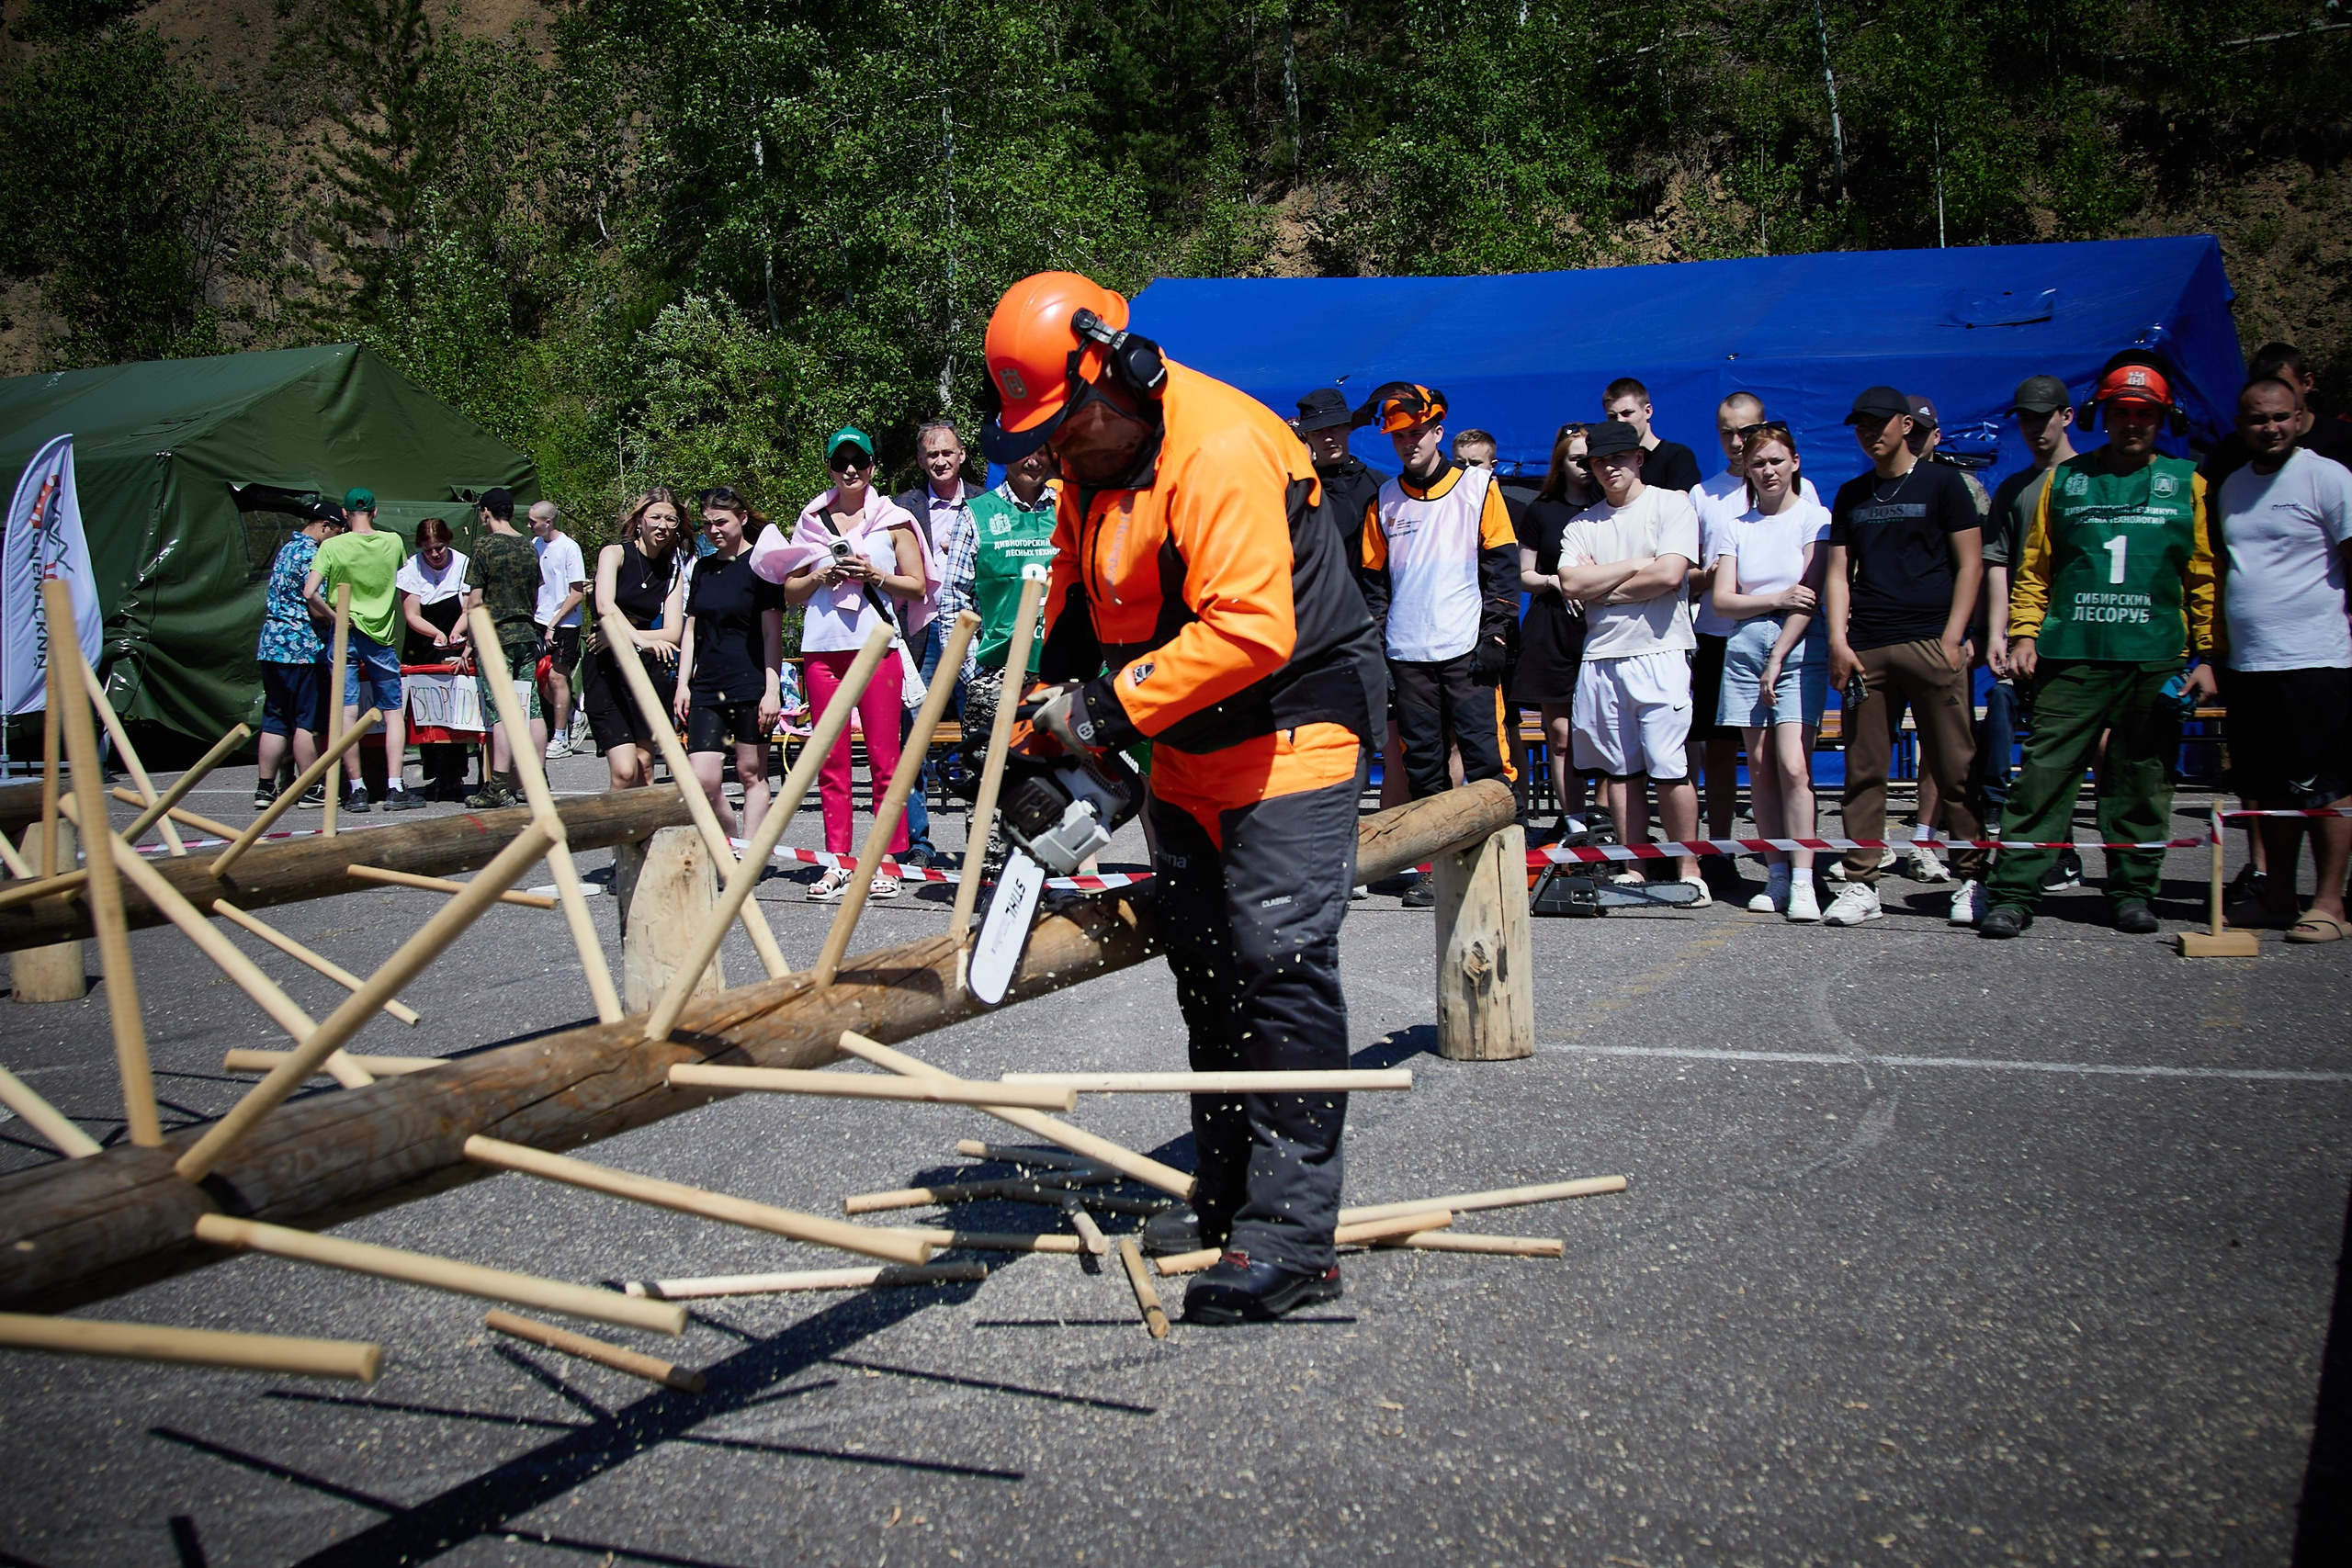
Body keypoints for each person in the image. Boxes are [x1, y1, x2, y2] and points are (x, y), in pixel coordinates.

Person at [983, 270, 1380, 1324]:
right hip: (1183, 742)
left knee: (1278, 963)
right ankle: (1229, 1191)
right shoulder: (1090, 466)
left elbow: (1252, 630)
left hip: (1289, 731)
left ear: (1115, 373)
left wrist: (1104, 715)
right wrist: (1037, 719)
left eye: (1064, 428)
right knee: (1204, 966)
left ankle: (1293, 1240)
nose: (1053, 452)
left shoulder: (1217, 445)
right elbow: (1070, 605)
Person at [1979, 352, 2218, 939]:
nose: (2132, 423)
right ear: (2101, 414)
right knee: (2042, 776)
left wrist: (2208, 654)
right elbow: (2033, 568)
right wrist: (2025, 632)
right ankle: (2013, 892)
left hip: (2153, 655)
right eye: (2121, 412)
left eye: (2144, 413)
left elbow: (2205, 574)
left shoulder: (2187, 483)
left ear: (2162, 419)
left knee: (2140, 779)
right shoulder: (2066, 480)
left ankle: (2132, 891)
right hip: (2072, 654)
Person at [1821, 386, 1989, 927]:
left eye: (1879, 423)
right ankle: (1862, 882)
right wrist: (1839, 641)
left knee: (1955, 766)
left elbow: (1970, 565)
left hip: (1930, 643)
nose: (1870, 433)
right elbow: (1837, 575)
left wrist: (1952, 637)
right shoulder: (1852, 494)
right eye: (1860, 425)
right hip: (1867, 646)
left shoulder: (1945, 485)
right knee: (1864, 770)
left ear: (1904, 424)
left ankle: (1970, 878)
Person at [1358, 382, 1520, 908]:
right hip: (1408, 654)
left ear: (1438, 431)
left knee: (1486, 760)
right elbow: (1373, 586)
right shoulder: (1383, 499)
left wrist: (1496, 633)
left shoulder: (1477, 487)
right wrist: (1377, 651)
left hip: (1467, 648)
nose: (1408, 444)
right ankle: (1437, 870)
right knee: (1423, 767)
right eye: (1398, 437)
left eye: (1416, 434)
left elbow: (1501, 564)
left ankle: (1500, 863)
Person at [2212, 376, 2352, 942]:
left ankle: (2330, 903)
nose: (2269, 428)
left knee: (2326, 787)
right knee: (2269, 788)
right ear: (2241, 424)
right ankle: (2276, 895)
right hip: (2250, 663)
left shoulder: (2327, 477)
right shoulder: (2231, 487)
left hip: (2315, 659)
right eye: (2256, 419)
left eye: (2280, 417)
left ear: (2300, 417)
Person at [1556, 420, 1706, 897]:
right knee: (1620, 770)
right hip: (1602, 655)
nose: (1609, 468)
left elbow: (1669, 575)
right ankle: (1634, 867)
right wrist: (1637, 565)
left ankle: (1690, 872)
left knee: (1669, 765)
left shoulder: (1671, 504)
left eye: (1619, 458)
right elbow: (1571, 584)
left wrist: (1606, 588)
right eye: (1599, 461)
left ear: (1638, 458)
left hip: (1661, 651)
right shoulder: (1581, 524)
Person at [779, 428, 926, 899]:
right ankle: (837, 859)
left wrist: (874, 574)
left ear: (871, 467)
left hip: (876, 648)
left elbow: (919, 585)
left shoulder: (895, 518)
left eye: (859, 462)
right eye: (840, 461)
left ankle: (887, 858)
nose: (850, 470)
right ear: (828, 467)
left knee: (886, 759)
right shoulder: (812, 519)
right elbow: (790, 592)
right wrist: (820, 574)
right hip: (823, 651)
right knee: (830, 760)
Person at [1688, 393, 1825, 883]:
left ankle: (1802, 872)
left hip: (1792, 639)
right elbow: (1711, 589)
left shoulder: (1809, 506)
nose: (1765, 469)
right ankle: (1751, 859)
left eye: (1774, 460)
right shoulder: (1719, 510)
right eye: (1727, 432)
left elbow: (1810, 587)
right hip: (1731, 639)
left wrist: (1781, 612)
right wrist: (1763, 592)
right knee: (1743, 757)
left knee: (1791, 764)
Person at [1984, 374, 2079, 876]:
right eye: (2025, 417)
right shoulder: (2014, 489)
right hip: (2027, 638)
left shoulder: (2093, 479)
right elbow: (1998, 564)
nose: (2034, 427)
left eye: (2044, 416)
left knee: (2086, 749)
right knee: (2042, 748)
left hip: (2085, 637)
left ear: (2067, 415)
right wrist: (1999, 632)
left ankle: (2111, 861)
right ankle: (2048, 850)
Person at [951, 441, 1059, 822]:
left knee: (1054, 788)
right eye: (1024, 450)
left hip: (1058, 675)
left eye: (1043, 451)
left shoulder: (1068, 511)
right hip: (996, 673)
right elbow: (954, 601)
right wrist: (973, 674)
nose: (1033, 460)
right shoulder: (975, 515)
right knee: (990, 790)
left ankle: (1049, 880)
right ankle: (987, 879)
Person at [888, 420, 979, 867]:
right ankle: (918, 842)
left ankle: (981, 839)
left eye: (947, 452)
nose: (939, 461)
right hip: (921, 639)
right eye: (931, 455)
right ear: (921, 460)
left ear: (961, 455)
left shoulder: (986, 504)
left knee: (980, 739)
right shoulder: (902, 508)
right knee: (913, 743)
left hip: (974, 640)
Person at [675, 491, 787, 842]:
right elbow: (690, 630)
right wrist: (683, 684)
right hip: (707, 684)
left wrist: (772, 690)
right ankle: (729, 842)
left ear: (741, 518)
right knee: (703, 779)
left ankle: (750, 851)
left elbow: (772, 635)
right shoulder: (702, 568)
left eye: (720, 522)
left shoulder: (762, 566)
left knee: (750, 772)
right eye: (706, 524)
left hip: (751, 682)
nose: (713, 530)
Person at [304, 487, 421, 812]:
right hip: (380, 636)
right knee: (393, 710)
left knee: (346, 712)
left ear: (344, 514)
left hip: (344, 634)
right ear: (375, 511)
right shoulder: (393, 541)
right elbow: (403, 581)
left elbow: (309, 591)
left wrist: (334, 616)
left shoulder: (332, 546)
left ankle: (356, 789)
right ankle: (395, 785)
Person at [1510, 423, 1594, 834]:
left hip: (1601, 627)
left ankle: (1609, 820)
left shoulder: (1612, 506)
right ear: (1561, 463)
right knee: (1560, 734)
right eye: (1575, 458)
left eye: (1589, 457)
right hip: (1552, 627)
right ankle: (1575, 822)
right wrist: (1553, 581)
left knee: (1605, 736)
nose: (1584, 466)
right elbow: (1523, 574)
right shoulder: (1541, 510)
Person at [583, 489, 690, 792]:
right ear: (639, 520)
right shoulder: (614, 553)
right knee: (624, 770)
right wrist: (631, 639)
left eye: (671, 519)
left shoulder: (672, 569)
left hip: (646, 671)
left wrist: (624, 637)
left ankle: (642, 840)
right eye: (655, 517)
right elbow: (605, 606)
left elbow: (672, 632)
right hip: (607, 671)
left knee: (645, 767)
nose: (663, 525)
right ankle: (617, 837)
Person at [252, 501, 345, 808]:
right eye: (336, 531)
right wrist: (335, 617)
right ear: (324, 526)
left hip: (272, 645)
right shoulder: (312, 555)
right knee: (307, 722)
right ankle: (310, 787)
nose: (336, 538)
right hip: (302, 648)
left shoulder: (286, 550)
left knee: (275, 718)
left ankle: (265, 788)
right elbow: (313, 598)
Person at [460, 487, 543, 809]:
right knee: (531, 708)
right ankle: (535, 779)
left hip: (496, 638)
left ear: (485, 513)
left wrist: (470, 641)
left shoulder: (484, 546)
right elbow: (535, 595)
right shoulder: (528, 547)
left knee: (500, 711)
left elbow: (476, 600)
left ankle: (497, 785)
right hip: (527, 634)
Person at [395, 517, 477, 803]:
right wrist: (437, 633)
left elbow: (469, 608)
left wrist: (456, 631)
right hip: (424, 642)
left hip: (455, 639)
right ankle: (436, 773)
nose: (435, 554)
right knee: (426, 710)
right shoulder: (411, 569)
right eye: (429, 550)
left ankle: (455, 774)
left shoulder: (464, 564)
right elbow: (412, 614)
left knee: (455, 710)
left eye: (440, 548)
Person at [2199, 343, 2352, 490]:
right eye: (2264, 389)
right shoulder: (2235, 449)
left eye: (2283, 387)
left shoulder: (2343, 440)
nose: (2272, 397)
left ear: (2307, 383)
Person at [1294, 388, 1382, 592]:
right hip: (1325, 608)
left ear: (1348, 427)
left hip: (1379, 607)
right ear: (1307, 436)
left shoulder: (1380, 486)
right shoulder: (1300, 493)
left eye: (1333, 427)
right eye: (1317, 431)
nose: (1327, 437)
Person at [527, 501, 589, 761]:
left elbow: (577, 593)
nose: (529, 525)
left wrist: (554, 622)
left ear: (548, 521)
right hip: (538, 619)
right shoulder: (535, 545)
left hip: (565, 623)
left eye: (533, 521)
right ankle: (573, 713)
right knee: (537, 677)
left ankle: (561, 737)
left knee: (556, 677)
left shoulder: (569, 548)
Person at [1601, 377, 1702, 492]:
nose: (1620, 421)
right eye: (1612, 416)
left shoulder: (1677, 457)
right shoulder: (1607, 465)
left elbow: (1680, 505)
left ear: (1648, 411)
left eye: (1627, 413)